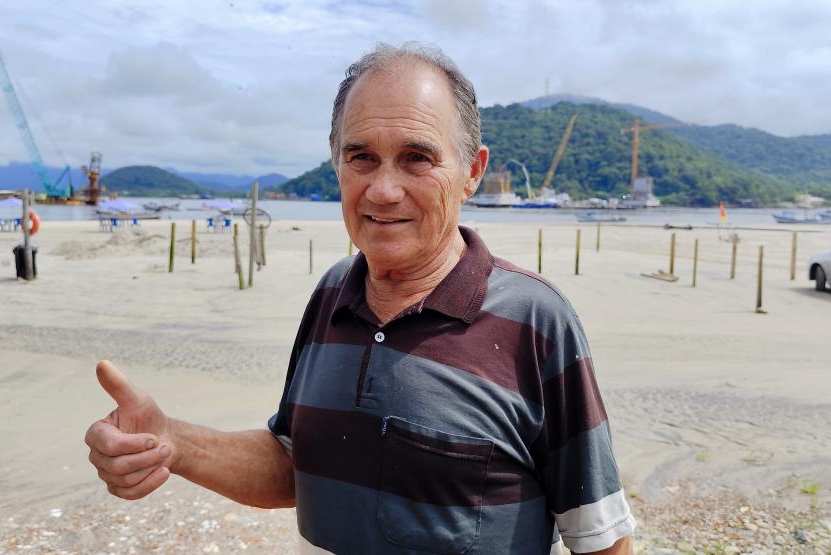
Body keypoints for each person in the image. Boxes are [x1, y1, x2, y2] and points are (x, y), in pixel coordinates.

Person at [85, 42, 635, 554]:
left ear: (472, 171)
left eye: (417, 158)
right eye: (361, 157)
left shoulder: (535, 320)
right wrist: (170, 441)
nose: (383, 189)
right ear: (338, 165)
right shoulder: (332, 293)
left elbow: (600, 534)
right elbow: (295, 463)